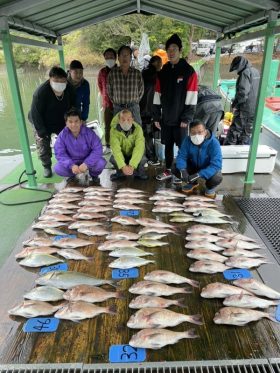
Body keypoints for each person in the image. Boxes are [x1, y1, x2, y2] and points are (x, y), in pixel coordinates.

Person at [153, 33, 198, 182]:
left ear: (180, 50)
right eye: (169, 49)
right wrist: (156, 116)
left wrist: (187, 117)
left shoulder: (189, 71)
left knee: (182, 146)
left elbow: (192, 96)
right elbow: (157, 95)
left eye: (174, 48)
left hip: (181, 118)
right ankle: (168, 170)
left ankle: (180, 170)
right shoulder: (163, 72)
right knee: (167, 145)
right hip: (166, 117)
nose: (171, 52)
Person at [28, 66, 76, 178]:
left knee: (69, 140)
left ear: (66, 80)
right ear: (50, 79)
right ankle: (46, 166)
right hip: (42, 121)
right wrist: (42, 132)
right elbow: (36, 114)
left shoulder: (69, 88)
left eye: (62, 81)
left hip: (60, 119)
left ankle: (69, 161)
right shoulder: (40, 93)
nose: (59, 83)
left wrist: (73, 122)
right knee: (43, 143)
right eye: (56, 81)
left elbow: (73, 106)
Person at [54, 108, 106, 182]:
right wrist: (71, 165)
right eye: (70, 122)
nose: (74, 124)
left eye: (76, 121)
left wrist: (87, 164)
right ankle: (72, 175)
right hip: (72, 161)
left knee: (100, 163)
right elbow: (59, 153)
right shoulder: (62, 135)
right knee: (58, 168)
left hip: (87, 159)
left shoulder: (89, 133)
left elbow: (98, 149)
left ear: (81, 122)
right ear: (66, 123)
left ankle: (94, 175)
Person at [176, 119, 223, 199]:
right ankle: (192, 183)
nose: (196, 135)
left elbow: (216, 165)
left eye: (200, 132)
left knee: (217, 177)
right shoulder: (187, 140)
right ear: (189, 133)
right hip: (193, 166)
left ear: (205, 132)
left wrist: (199, 174)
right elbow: (181, 156)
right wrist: (183, 170)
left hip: (207, 168)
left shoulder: (214, 143)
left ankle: (209, 188)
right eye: (193, 133)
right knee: (175, 167)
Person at [224, 56, 260, 145]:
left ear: (240, 65)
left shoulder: (245, 73)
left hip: (245, 109)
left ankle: (228, 152)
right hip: (255, 108)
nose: (236, 71)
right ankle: (243, 151)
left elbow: (243, 93)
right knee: (247, 132)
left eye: (236, 69)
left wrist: (235, 104)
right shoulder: (256, 71)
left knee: (235, 131)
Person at [107, 45, 144, 125]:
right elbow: (110, 92)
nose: (125, 57)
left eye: (127, 55)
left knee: (136, 132)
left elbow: (141, 91)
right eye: (122, 55)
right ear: (118, 58)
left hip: (133, 108)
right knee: (117, 132)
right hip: (118, 108)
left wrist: (133, 103)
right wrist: (117, 103)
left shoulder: (137, 73)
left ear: (130, 58)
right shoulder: (112, 73)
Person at [109, 109, 147, 181]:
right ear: (119, 120)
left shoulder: (138, 129)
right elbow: (116, 149)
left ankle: (139, 173)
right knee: (113, 158)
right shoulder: (113, 130)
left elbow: (139, 148)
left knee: (143, 158)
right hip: (122, 154)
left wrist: (132, 165)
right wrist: (123, 166)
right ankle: (120, 174)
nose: (125, 122)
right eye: (123, 119)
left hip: (133, 154)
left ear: (132, 120)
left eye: (128, 119)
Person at [140, 56, 162, 166]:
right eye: (160, 63)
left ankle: (149, 155)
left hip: (143, 108)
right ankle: (152, 156)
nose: (161, 65)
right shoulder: (156, 75)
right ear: (155, 63)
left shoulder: (144, 72)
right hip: (150, 109)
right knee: (151, 133)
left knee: (146, 133)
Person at [97, 48, 117, 154]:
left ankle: (118, 145)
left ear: (115, 57)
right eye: (107, 57)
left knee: (119, 125)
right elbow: (100, 86)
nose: (109, 58)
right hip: (107, 104)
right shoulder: (102, 72)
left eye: (111, 56)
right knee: (108, 126)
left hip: (119, 104)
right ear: (104, 58)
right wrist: (105, 98)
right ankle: (108, 146)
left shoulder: (120, 70)